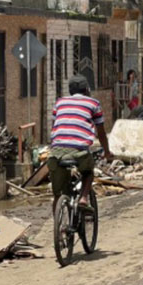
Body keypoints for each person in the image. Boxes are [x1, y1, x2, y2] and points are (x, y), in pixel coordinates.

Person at [47, 75, 112, 210]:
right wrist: (107, 152)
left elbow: (55, 126)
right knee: (88, 172)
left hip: (56, 151)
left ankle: (60, 228)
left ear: (70, 91)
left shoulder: (60, 102)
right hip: (79, 150)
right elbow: (101, 133)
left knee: (58, 195)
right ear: (87, 90)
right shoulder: (94, 103)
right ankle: (83, 197)